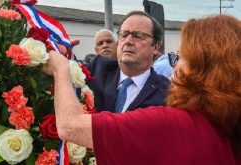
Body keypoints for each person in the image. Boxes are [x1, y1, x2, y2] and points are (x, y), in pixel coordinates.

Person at [43, 14, 241, 164]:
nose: (175, 66)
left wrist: (61, 70)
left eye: (180, 58)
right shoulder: (227, 123)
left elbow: (71, 126)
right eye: (123, 34)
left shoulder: (171, 119)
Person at [87, 11, 170, 113]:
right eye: (124, 35)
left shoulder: (167, 93)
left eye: (138, 35)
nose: (128, 41)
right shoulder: (98, 68)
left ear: (156, 47)